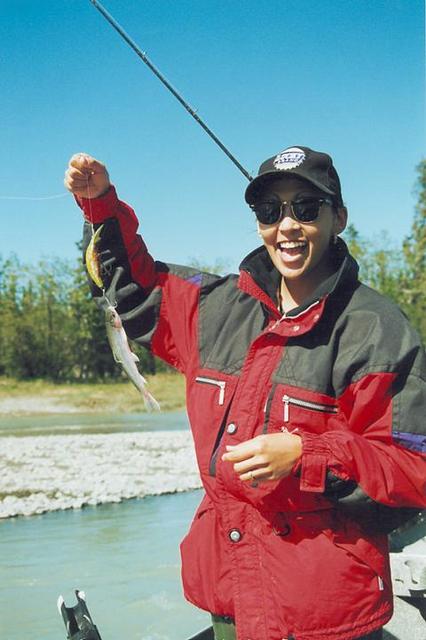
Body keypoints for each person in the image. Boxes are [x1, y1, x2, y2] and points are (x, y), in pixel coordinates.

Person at [65, 145, 426, 640]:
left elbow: (412, 470)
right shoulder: (214, 307)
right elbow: (130, 285)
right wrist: (99, 204)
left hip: (328, 619)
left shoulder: (376, 329)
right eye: (269, 210)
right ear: (258, 222)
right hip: (231, 608)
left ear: (338, 217)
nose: (287, 226)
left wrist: (308, 454)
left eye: (306, 208)